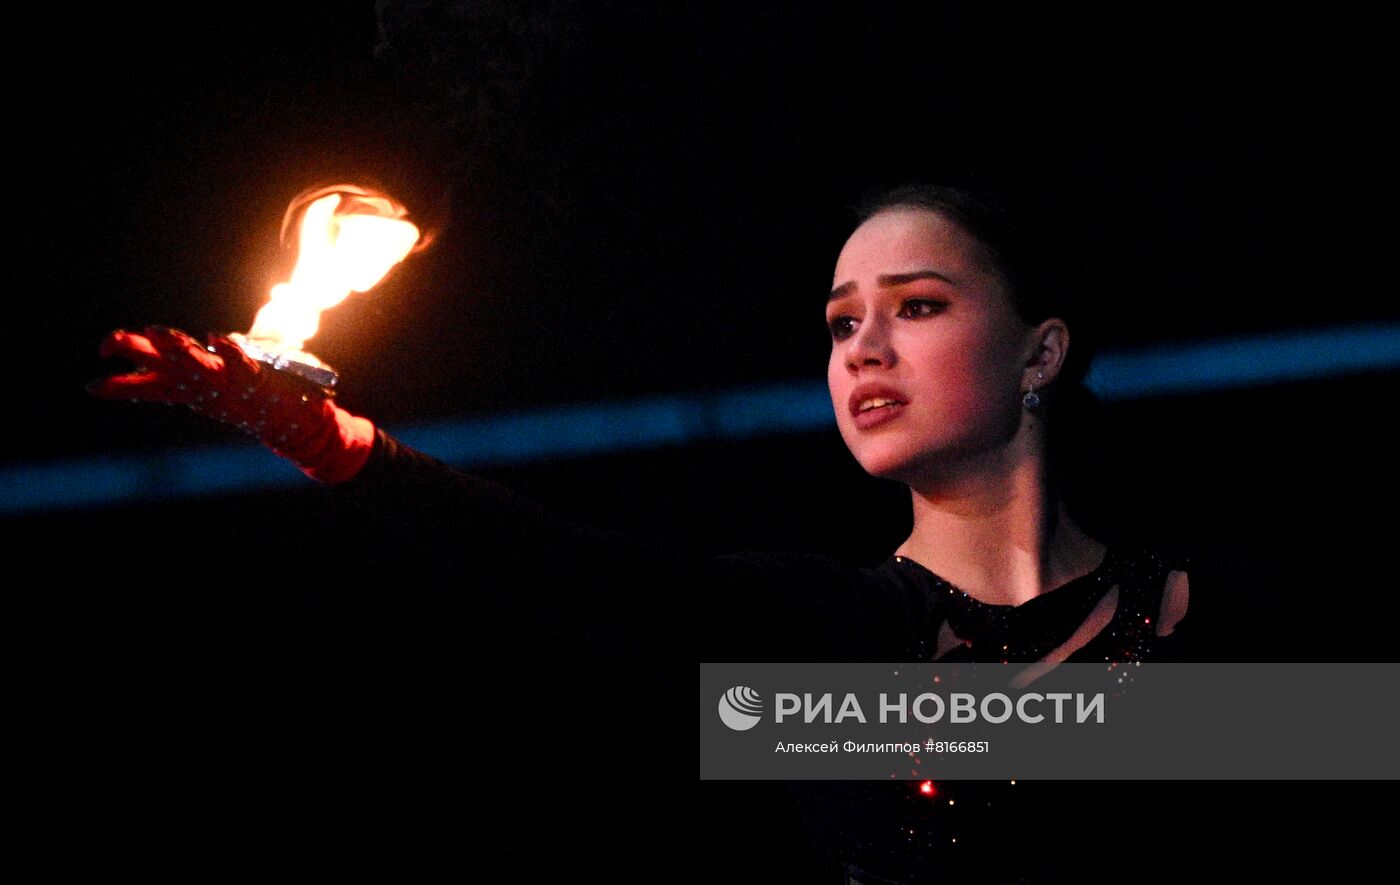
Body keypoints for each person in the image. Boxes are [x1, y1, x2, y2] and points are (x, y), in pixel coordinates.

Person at [90, 184, 1274, 883]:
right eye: (838, 321)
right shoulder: (812, 635)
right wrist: (336, 446)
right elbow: (579, 581)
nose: (862, 348)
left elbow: (1331, 735)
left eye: (917, 307)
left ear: (1041, 351)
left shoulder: (1231, 613)